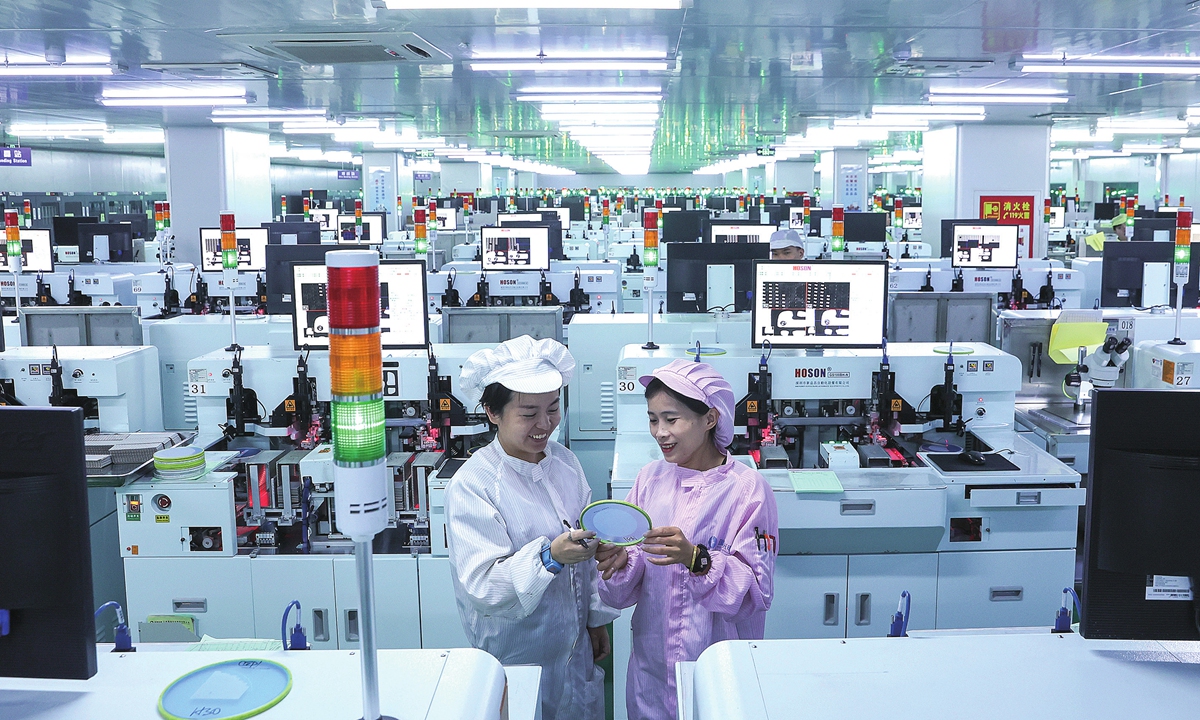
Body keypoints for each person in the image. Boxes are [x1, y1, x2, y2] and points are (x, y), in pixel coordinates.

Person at [445, 335, 617, 720]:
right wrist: (549, 557)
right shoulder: (474, 485)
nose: (545, 425)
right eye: (528, 414)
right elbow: (483, 587)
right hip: (516, 656)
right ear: (492, 412)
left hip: (575, 652)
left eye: (553, 409)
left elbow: (586, 547)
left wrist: (594, 618)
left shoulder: (565, 463)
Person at [595, 359, 778, 720]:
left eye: (671, 419)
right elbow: (628, 580)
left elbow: (758, 592)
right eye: (653, 419)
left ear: (710, 418)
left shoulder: (747, 490)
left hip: (719, 668)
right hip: (653, 670)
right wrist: (618, 563)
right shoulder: (650, 479)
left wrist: (697, 559)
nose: (660, 432)